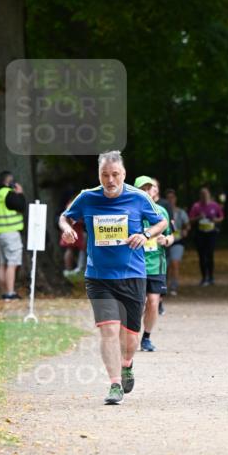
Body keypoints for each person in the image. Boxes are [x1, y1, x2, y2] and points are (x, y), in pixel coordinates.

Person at [59, 151, 166, 405]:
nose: (110, 180)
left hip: (132, 275)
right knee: (108, 331)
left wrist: (145, 233)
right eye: (105, 175)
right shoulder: (87, 197)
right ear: (99, 175)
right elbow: (66, 216)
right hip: (99, 276)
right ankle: (114, 384)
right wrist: (66, 229)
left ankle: (127, 363)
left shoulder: (139, 197)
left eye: (115, 175)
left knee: (130, 337)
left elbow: (161, 222)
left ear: (124, 174)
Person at [134, 176, 174, 351]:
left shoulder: (161, 212)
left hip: (156, 264)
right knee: (138, 303)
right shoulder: (130, 211)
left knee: (153, 302)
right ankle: (131, 335)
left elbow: (171, 235)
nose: (147, 191)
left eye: (149, 188)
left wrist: (166, 240)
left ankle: (146, 338)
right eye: (143, 188)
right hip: (135, 264)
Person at [0, 170, 26, 300]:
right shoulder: (8, 194)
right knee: (12, 263)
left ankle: (4, 293)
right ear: (9, 182)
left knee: (3, 263)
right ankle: (10, 293)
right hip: (10, 232)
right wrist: (20, 193)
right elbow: (21, 206)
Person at [189, 186, 224, 285]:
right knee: (201, 256)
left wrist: (215, 220)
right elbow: (190, 219)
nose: (204, 196)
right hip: (200, 234)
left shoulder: (214, 205)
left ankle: (211, 277)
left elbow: (221, 217)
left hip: (211, 233)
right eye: (202, 194)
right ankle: (204, 277)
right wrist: (198, 217)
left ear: (209, 195)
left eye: (206, 194)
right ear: (200, 196)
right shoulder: (196, 206)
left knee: (210, 254)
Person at [164, 189, 190, 294]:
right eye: (168, 198)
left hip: (177, 241)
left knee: (175, 263)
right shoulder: (161, 211)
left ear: (175, 199)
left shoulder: (180, 212)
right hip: (165, 241)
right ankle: (163, 285)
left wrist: (185, 230)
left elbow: (187, 224)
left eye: (172, 198)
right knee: (166, 265)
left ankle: (174, 286)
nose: (170, 200)